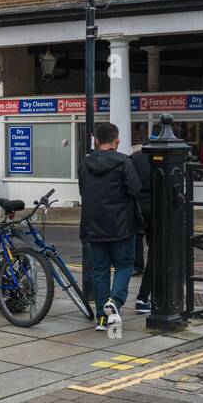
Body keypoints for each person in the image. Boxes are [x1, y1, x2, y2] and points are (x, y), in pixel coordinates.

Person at [78, 122, 143, 331]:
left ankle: (102, 319)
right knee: (124, 265)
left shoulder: (85, 162)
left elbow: (83, 191)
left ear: (97, 140)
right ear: (117, 140)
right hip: (121, 225)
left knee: (100, 270)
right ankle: (114, 302)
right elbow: (135, 188)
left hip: (93, 225)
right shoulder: (124, 161)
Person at [130, 141, 153, 314]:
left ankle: (137, 266)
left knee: (135, 241)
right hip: (157, 211)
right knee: (157, 253)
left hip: (136, 209)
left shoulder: (134, 158)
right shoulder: (161, 156)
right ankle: (143, 297)